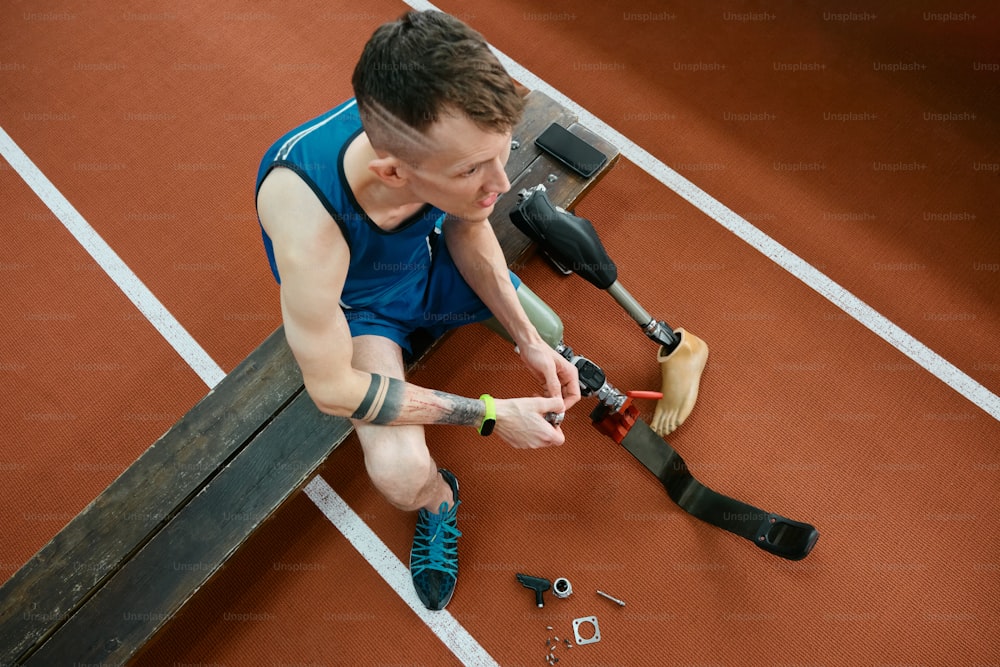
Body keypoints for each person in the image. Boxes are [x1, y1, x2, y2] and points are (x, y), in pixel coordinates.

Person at [254, 10, 580, 611]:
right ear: (392, 172)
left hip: (426, 265)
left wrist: (527, 340)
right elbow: (331, 390)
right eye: (473, 170)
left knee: (553, 330)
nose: (502, 182)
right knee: (399, 474)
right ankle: (439, 501)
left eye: (502, 154)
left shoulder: (442, 148)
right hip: (363, 313)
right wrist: (489, 414)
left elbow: (469, 225)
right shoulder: (310, 227)